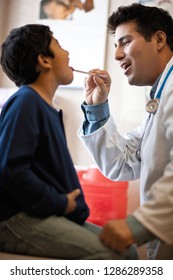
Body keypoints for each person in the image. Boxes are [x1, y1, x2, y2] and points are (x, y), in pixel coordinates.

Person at [0, 24, 137, 260]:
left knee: (128, 250)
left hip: (40, 213)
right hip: (15, 219)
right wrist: (60, 203)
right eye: (60, 46)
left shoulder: (44, 107)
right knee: (114, 257)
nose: (67, 53)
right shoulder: (26, 102)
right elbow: (10, 170)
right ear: (44, 60)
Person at [78, 3, 173, 260]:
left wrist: (138, 225)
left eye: (125, 42)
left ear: (159, 39)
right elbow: (126, 162)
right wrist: (97, 106)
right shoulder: (159, 94)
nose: (118, 55)